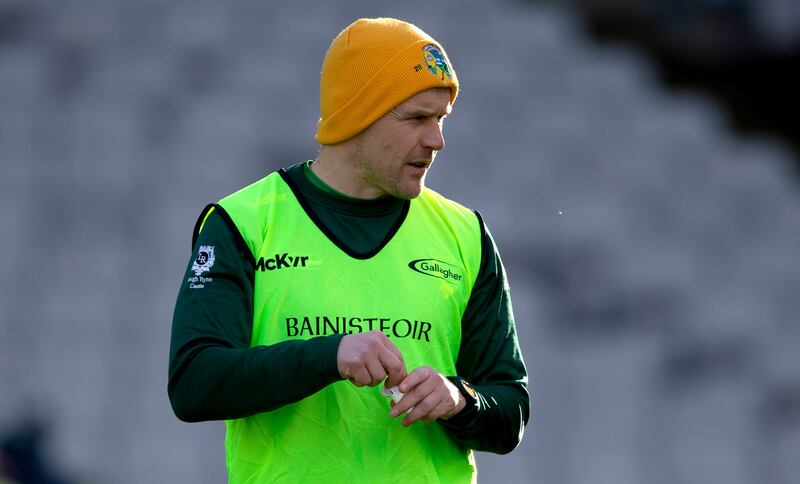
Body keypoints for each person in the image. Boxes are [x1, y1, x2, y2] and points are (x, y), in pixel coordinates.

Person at [168, 17, 529, 483]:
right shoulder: (243, 223)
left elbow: (511, 410)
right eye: (417, 118)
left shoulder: (465, 234)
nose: (436, 140)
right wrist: (328, 355)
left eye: (441, 120)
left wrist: (460, 399)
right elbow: (194, 384)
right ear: (360, 113)